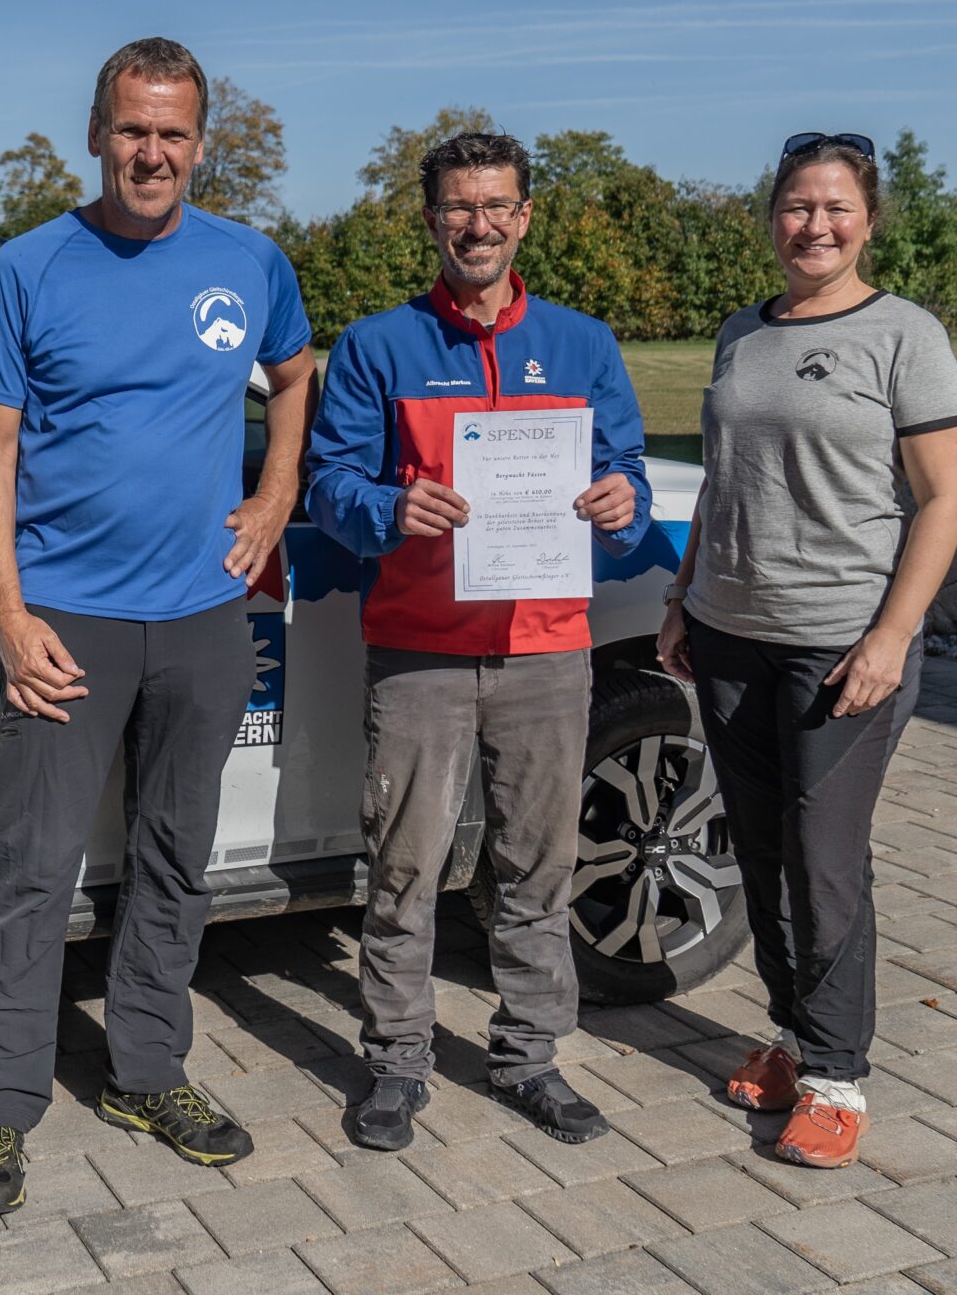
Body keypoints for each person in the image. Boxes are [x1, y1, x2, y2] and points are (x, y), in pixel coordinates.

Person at [0, 37, 317, 1213]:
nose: (150, 152)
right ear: (96, 133)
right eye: (131, 129)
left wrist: (276, 494)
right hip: (68, 622)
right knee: (31, 871)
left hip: (205, 617)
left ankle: (147, 1071)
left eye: (172, 133)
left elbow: (297, 374)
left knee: (175, 860)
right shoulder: (31, 269)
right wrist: (7, 615)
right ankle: (1, 1108)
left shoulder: (251, 261)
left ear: (202, 144)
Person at [306, 132, 651, 1150]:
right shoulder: (379, 347)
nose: (479, 225)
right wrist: (387, 507)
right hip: (420, 650)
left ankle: (529, 1058)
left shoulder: (583, 344)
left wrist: (620, 500)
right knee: (407, 869)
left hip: (548, 646)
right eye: (459, 208)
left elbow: (623, 476)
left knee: (536, 868)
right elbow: (331, 484)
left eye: (497, 205)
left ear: (525, 216)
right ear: (431, 221)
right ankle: (397, 1063)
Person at [657, 131, 957, 1168]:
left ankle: (838, 1077)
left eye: (835, 207)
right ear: (770, 216)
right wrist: (685, 594)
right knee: (763, 851)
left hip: (841, 647)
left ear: (868, 220)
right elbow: (723, 478)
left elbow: (943, 500)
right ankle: (790, 1038)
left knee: (825, 863)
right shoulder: (744, 330)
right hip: (732, 635)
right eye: (796, 206)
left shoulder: (904, 335)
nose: (814, 225)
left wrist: (892, 633)